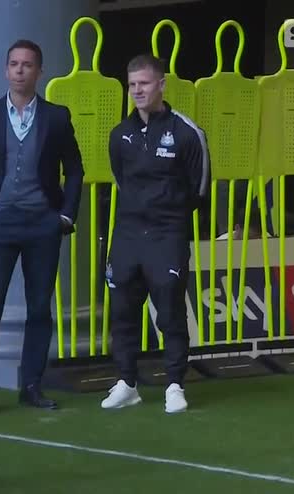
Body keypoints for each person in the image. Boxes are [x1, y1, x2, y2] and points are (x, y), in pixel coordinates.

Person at [0, 39, 84, 416]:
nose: (20, 70)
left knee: (39, 310)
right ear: (6, 70)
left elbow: (75, 169)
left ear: (39, 72)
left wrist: (65, 216)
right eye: (14, 64)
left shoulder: (56, 116)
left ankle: (32, 386)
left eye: (27, 65)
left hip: (42, 224)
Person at [100, 54, 210, 413]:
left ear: (161, 84)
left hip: (167, 235)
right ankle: (127, 383)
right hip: (127, 235)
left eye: (144, 83)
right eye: (132, 84)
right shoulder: (120, 134)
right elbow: (121, 180)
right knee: (122, 311)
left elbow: (200, 189)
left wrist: (167, 211)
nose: (137, 90)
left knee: (170, 312)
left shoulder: (187, 132)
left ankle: (175, 384)